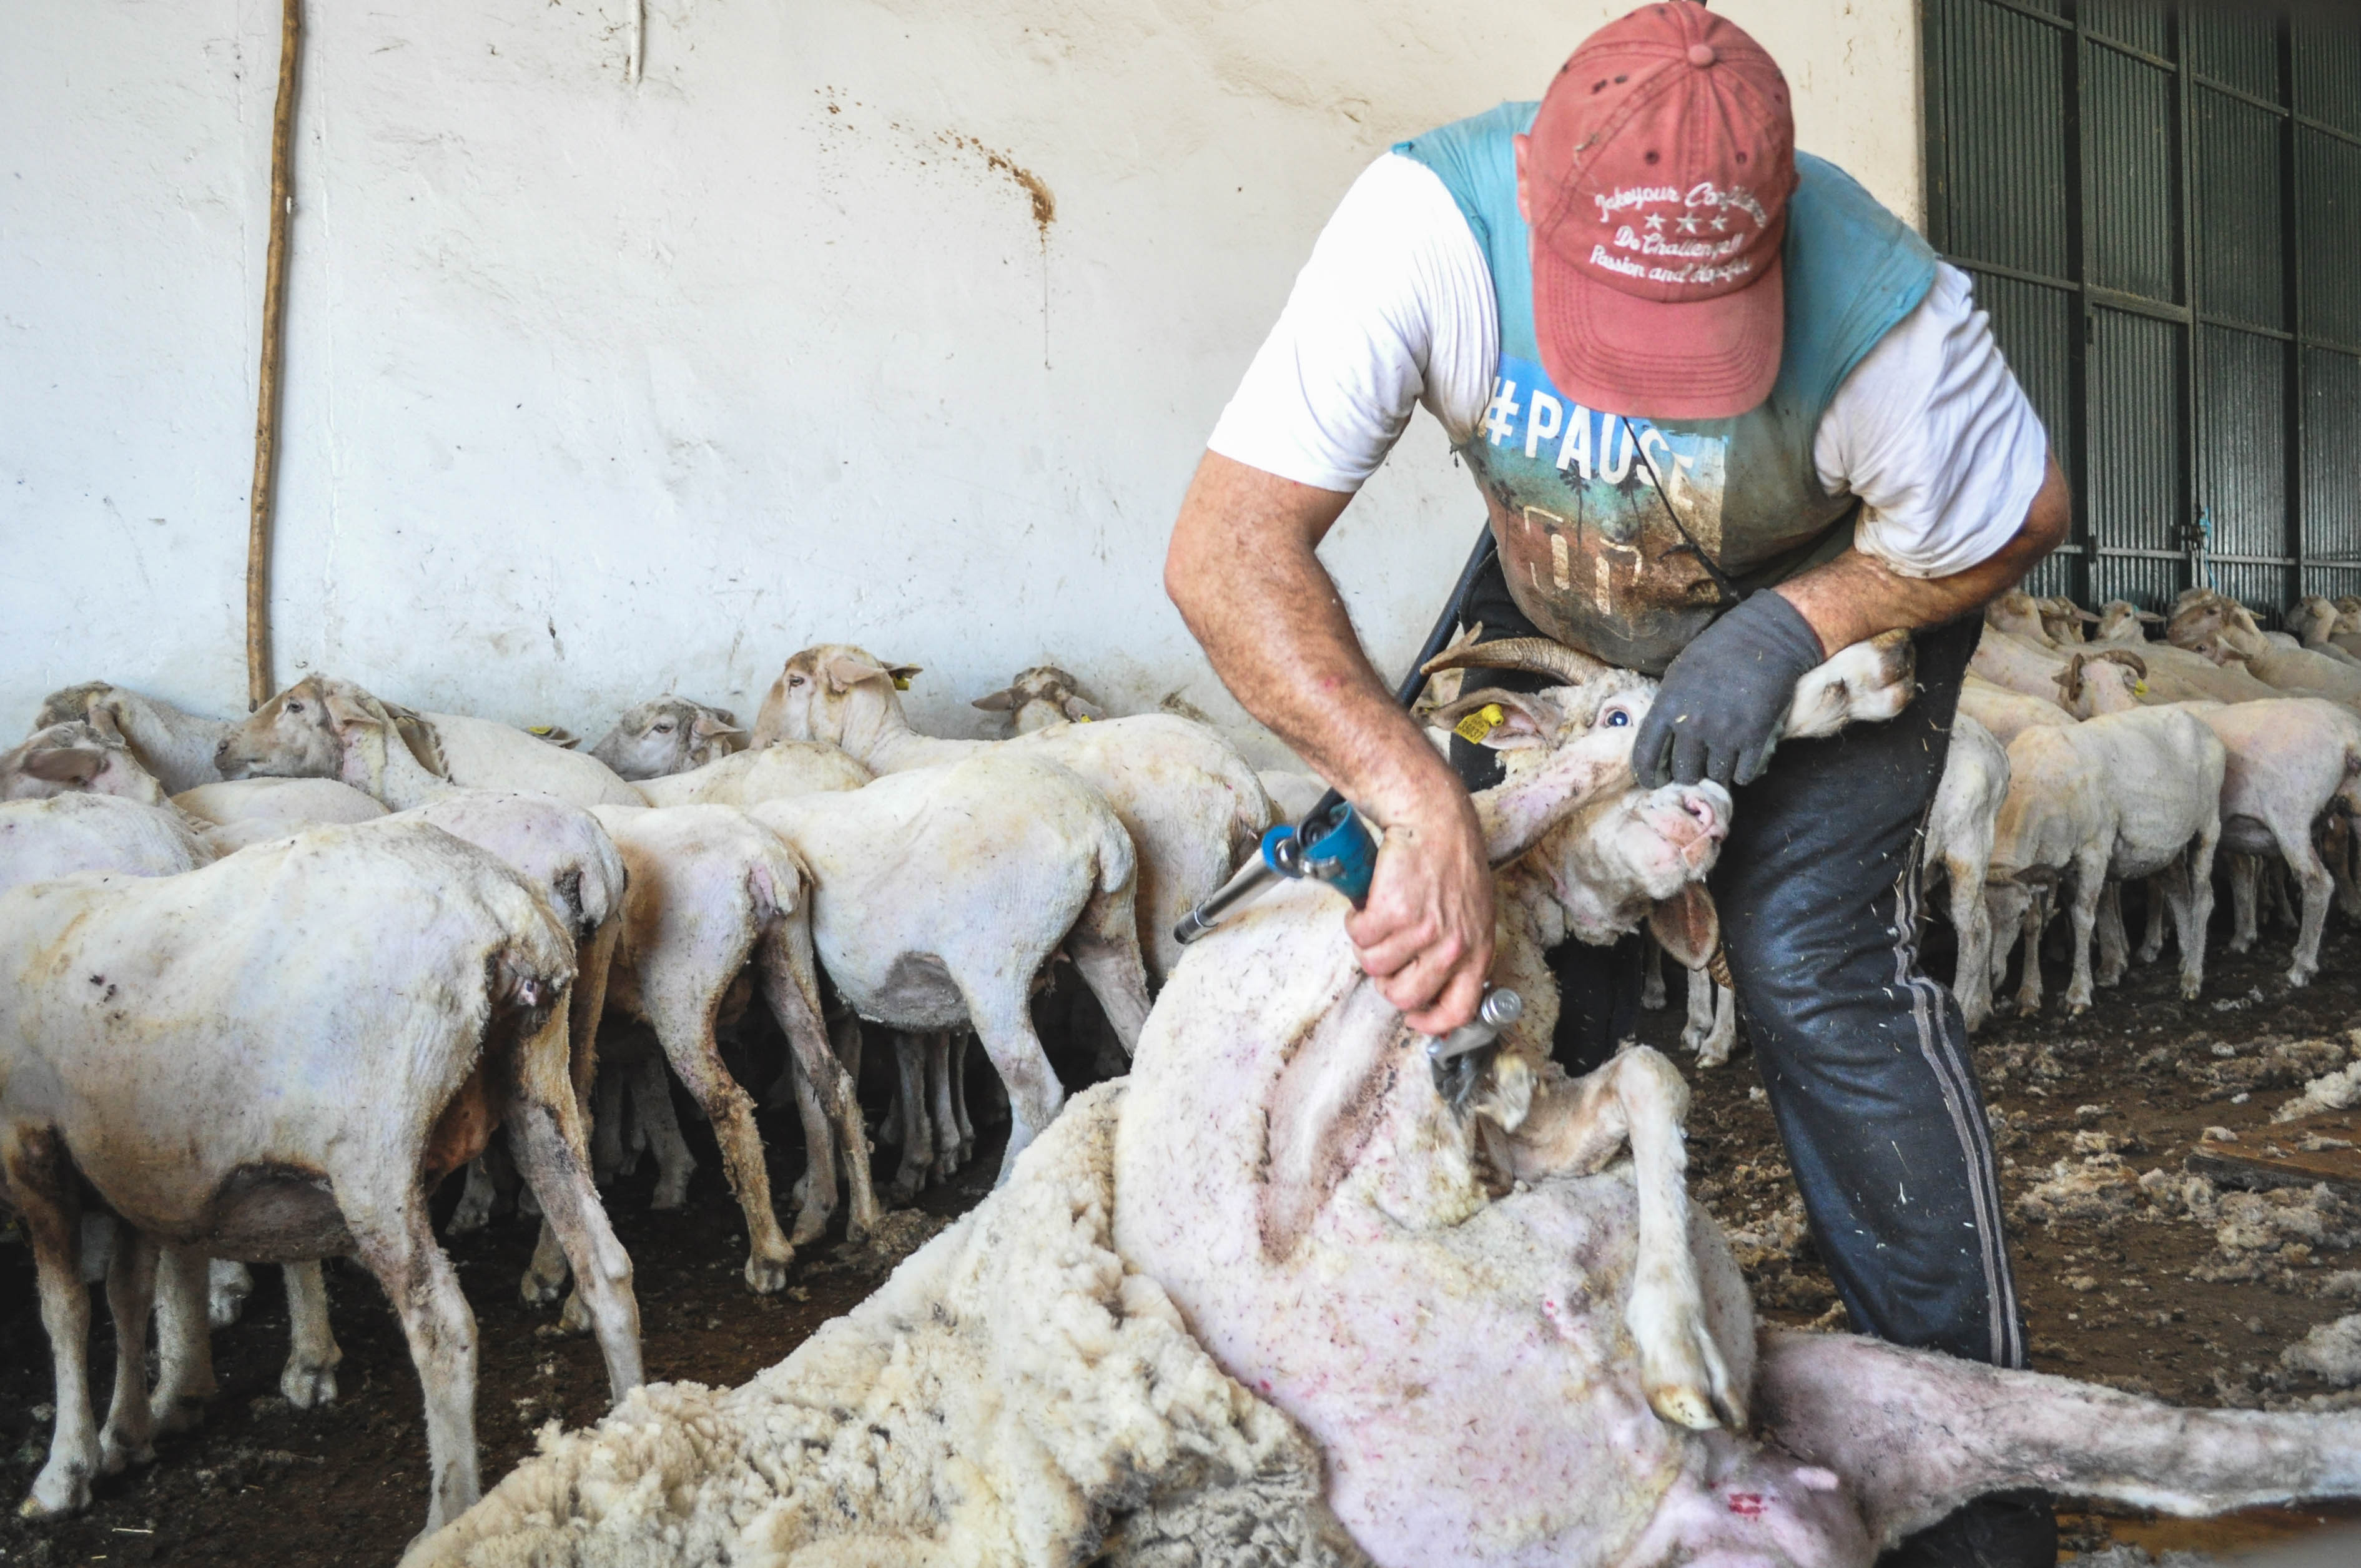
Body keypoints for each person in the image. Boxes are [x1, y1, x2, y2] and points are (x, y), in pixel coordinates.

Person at [1163, 4, 2069, 1565]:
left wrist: (1794, 625)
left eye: (1695, 348)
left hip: (1821, 592)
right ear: (1537, 196)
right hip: (1563, 584)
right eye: (1618, 342)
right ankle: (1548, 1442)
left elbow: (2020, 510)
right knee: (1487, 980)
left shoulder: (1888, 321)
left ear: (1774, 242)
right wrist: (1416, 803)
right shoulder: (1426, 229)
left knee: (1812, 969)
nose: (1654, 388)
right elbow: (1227, 550)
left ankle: (1972, 1499)